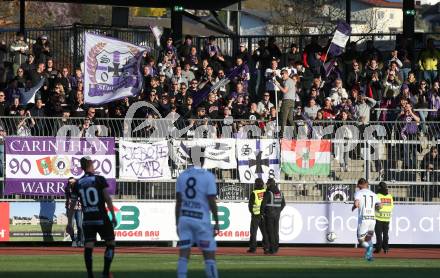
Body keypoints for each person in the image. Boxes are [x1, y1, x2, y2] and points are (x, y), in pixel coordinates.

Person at [67, 156, 117, 278]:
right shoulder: (99, 179)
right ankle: (105, 272)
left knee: (89, 245)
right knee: (110, 243)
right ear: (90, 164)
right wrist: (113, 216)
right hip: (101, 217)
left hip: (88, 219)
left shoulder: (77, 183)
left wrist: (69, 223)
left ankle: (90, 275)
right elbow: (107, 199)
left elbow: (72, 205)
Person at [175, 146, 220, 278]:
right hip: (201, 219)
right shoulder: (208, 177)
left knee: (183, 253)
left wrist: (177, 222)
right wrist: (217, 221)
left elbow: (178, 201)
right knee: (209, 255)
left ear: (190, 158)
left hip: (185, 218)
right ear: (203, 159)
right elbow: (211, 201)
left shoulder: (182, 176)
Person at [352, 178, 381, 261]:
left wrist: (354, 206)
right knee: (368, 238)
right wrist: (375, 208)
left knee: (361, 240)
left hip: (364, 219)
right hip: (372, 220)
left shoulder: (358, 193)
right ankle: (369, 256)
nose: (357, 186)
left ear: (360, 185)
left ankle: (368, 249)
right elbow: (380, 206)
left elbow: (357, 204)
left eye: (358, 184)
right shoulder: (373, 194)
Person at [261, 178, 285, 255]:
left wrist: (262, 213)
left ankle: (271, 249)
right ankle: (275, 248)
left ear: (269, 184)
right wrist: (278, 211)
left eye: (267, 184)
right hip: (277, 215)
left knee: (269, 232)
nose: (266, 185)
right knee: (276, 231)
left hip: (268, 215)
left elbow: (263, 204)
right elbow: (283, 204)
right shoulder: (280, 193)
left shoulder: (269, 193)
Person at [247, 178, 269, 253]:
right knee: (265, 232)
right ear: (263, 184)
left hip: (255, 215)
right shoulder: (266, 192)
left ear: (256, 184)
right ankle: (266, 248)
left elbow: (250, 205)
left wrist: (252, 212)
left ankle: (253, 248)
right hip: (264, 215)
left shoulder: (254, 193)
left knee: (253, 232)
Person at [374, 182, 394, 254]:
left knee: (378, 234)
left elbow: (374, 206)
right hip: (387, 217)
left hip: (378, 217)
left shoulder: (377, 196)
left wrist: (377, 208)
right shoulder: (389, 196)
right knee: (386, 234)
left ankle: (378, 248)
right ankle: (386, 248)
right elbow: (392, 206)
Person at [65, 177, 83, 247]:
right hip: (70, 209)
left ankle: (80, 240)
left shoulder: (79, 188)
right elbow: (69, 194)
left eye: (72, 182)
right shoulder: (67, 188)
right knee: (70, 226)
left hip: (78, 208)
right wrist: (70, 185)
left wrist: (75, 183)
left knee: (79, 226)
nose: (71, 183)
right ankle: (74, 240)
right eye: (70, 182)